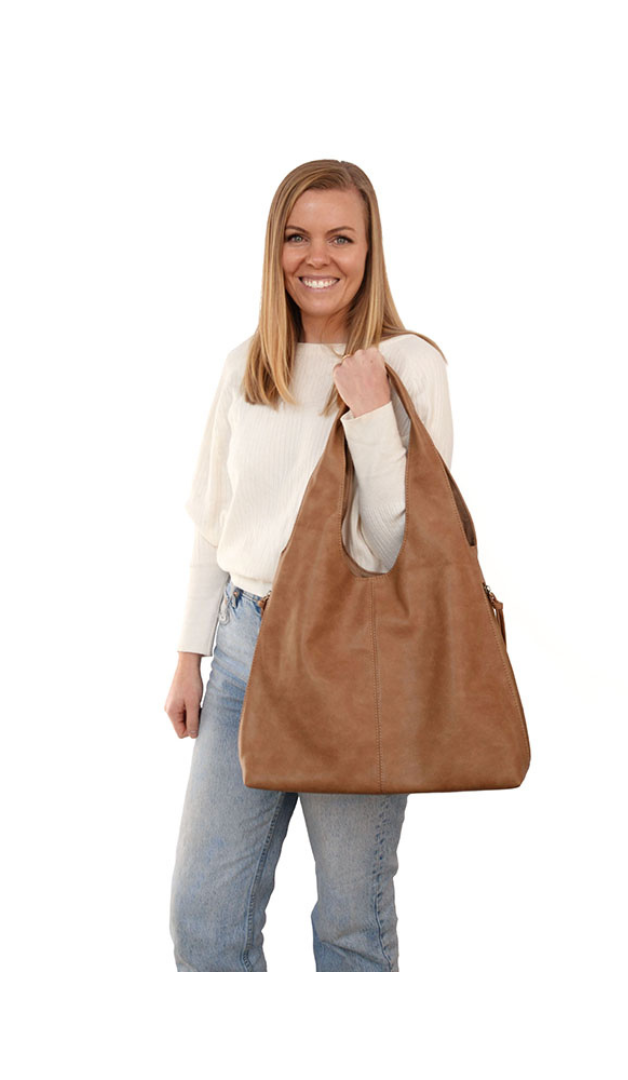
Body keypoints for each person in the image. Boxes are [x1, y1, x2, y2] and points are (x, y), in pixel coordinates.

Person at [165, 159, 455, 972]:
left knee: (351, 924)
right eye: (297, 236)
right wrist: (189, 656)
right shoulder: (247, 365)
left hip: (358, 655)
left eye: (341, 238)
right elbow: (214, 523)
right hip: (243, 649)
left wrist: (370, 411)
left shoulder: (410, 365)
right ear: (275, 249)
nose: (316, 257)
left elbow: (403, 543)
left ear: (370, 249)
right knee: (204, 920)